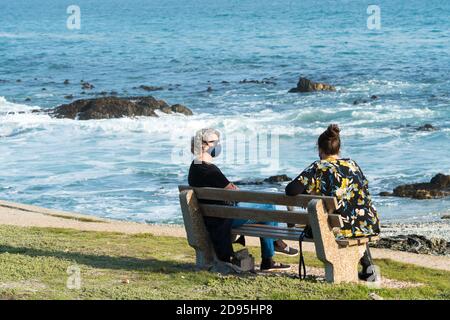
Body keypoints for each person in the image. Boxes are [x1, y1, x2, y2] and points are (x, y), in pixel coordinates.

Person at [285, 124, 380, 281]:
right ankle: (368, 268)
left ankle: (363, 269)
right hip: (367, 223)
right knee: (351, 218)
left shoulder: (318, 167)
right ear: (339, 149)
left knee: (336, 222)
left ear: (320, 150)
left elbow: (291, 190)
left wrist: (309, 191)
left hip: (338, 228)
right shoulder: (353, 164)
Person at [188, 128, 290, 271]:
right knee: (268, 205)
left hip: (212, 217)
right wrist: (233, 188)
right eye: (216, 143)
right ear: (206, 146)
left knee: (265, 212)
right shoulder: (211, 171)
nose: (218, 146)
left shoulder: (195, 168)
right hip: (224, 219)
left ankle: (271, 252)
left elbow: (228, 190)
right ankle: (272, 251)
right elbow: (234, 193)